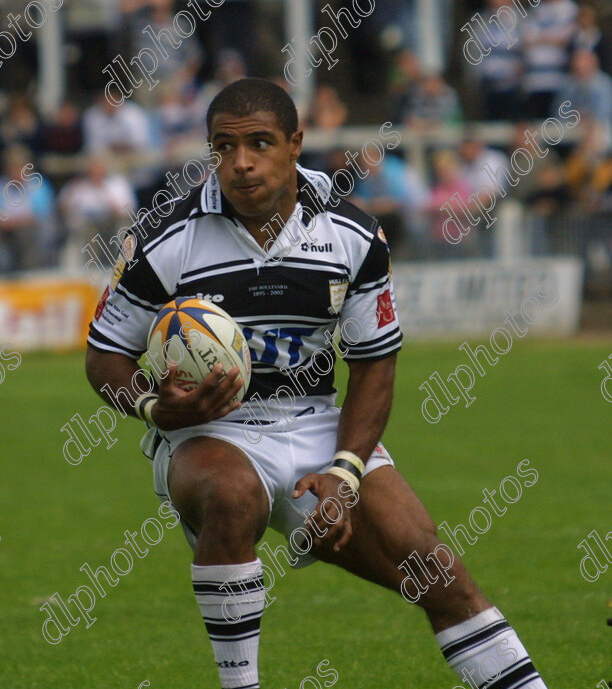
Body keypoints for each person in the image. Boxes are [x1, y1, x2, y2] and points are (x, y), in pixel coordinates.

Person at [85, 78, 548, 689]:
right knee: (228, 495)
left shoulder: (352, 235)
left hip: (318, 427)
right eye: (223, 147)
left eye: (259, 143)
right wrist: (152, 406)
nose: (241, 162)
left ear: (296, 142)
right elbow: (105, 355)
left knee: (436, 574)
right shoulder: (164, 238)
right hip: (208, 432)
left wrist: (346, 472)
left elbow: (375, 365)